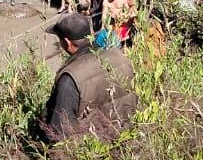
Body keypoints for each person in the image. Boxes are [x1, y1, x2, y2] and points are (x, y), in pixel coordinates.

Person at [36, 13, 137, 143]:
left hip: (93, 152)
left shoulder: (70, 78)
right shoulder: (120, 57)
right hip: (128, 139)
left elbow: (60, 132)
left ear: (67, 42)